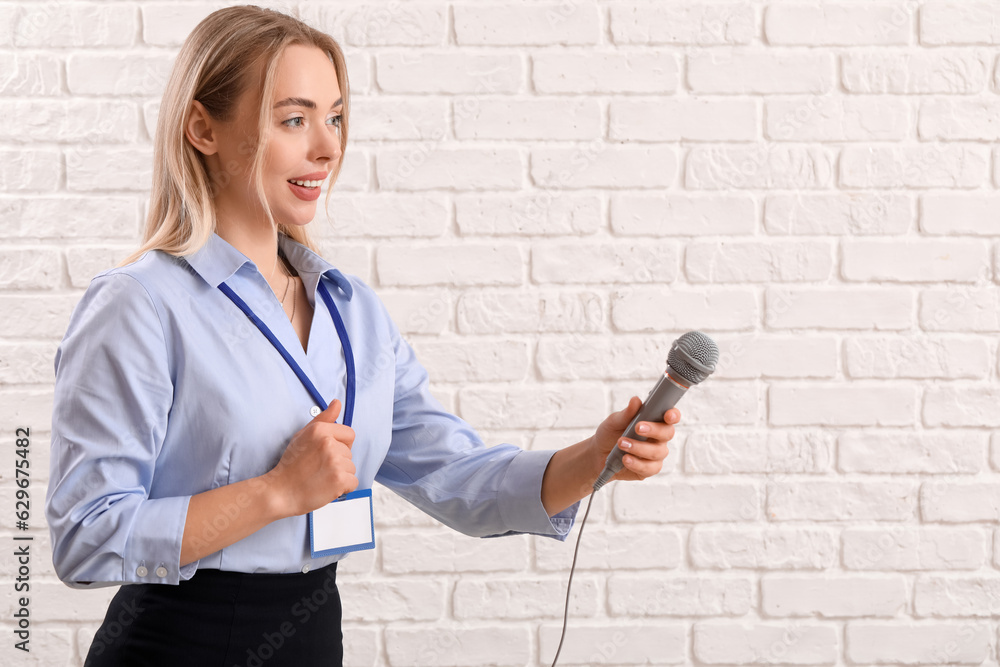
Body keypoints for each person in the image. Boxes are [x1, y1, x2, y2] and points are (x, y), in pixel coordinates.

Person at [44, 5, 680, 666]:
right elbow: (87, 537)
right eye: (293, 119)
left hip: (315, 637)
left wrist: (595, 457)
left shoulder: (354, 311)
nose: (327, 146)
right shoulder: (139, 303)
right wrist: (276, 492)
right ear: (202, 127)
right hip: (180, 645)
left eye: (335, 116)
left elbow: (459, 476)